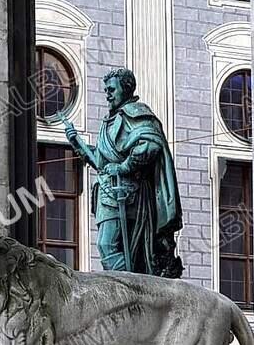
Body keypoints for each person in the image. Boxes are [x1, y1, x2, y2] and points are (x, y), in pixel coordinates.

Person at [63, 68, 183, 277]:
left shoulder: (136, 113)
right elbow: (101, 162)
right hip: (108, 193)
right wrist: (77, 143)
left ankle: (125, 288)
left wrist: (123, 167)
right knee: (111, 247)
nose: (107, 94)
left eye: (111, 89)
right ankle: (127, 287)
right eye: (105, 90)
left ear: (125, 89)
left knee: (108, 245)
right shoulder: (110, 121)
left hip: (125, 194)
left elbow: (150, 145)